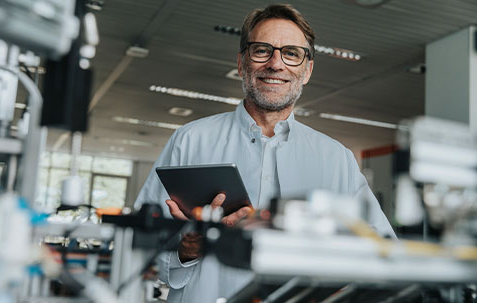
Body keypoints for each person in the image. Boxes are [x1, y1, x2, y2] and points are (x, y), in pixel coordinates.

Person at [135, 4, 395, 302]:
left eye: (292, 53)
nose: (275, 63)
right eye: (262, 50)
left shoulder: (337, 160)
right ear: (242, 61)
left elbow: (380, 255)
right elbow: (138, 250)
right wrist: (187, 248)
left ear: (307, 70)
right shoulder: (191, 140)